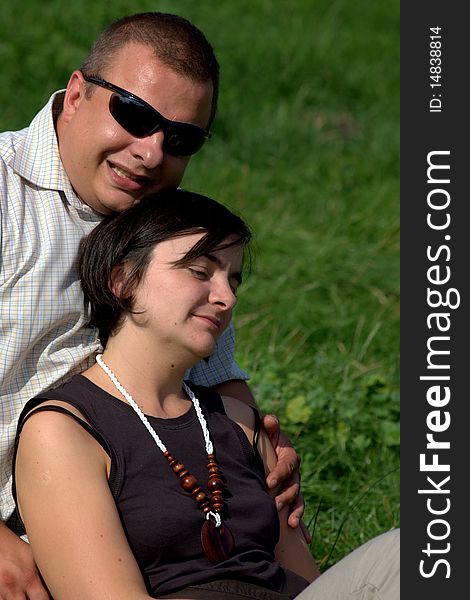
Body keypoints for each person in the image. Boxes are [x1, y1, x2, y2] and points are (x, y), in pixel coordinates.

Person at [0, 12, 303, 599]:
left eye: (181, 139)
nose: (151, 152)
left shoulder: (173, 223)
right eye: (135, 116)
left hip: (127, 532)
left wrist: (262, 457)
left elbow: (214, 381)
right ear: (78, 92)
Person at [13, 189, 399, 600]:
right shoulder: (63, 430)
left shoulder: (238, 420)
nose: (227, 298)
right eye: (200, 271)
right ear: (123, 280)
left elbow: (311, 584)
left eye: (233, 280)